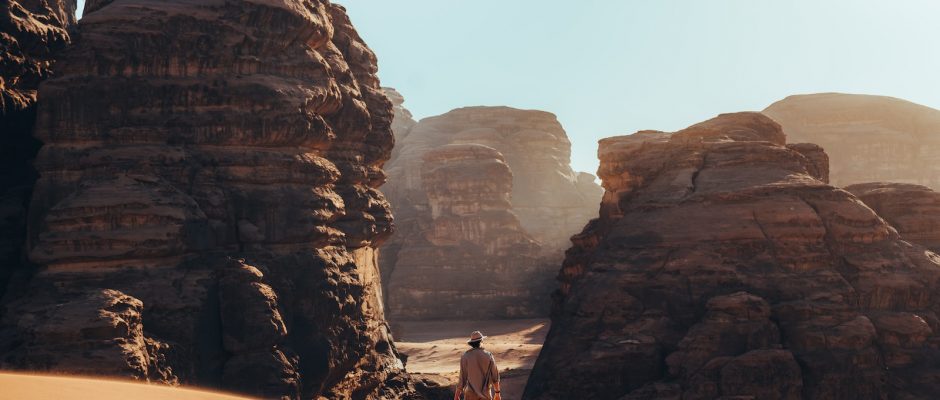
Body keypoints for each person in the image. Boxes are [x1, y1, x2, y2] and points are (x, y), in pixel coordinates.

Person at [455, 331, 501, 400]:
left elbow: (462, 378)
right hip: (486, 395)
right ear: (481, 341)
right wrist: (497, 393)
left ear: (471, 343)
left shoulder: (465, 356)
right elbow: (495, 376)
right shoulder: (488, 355)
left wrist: (457, 395)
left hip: (470, 395)